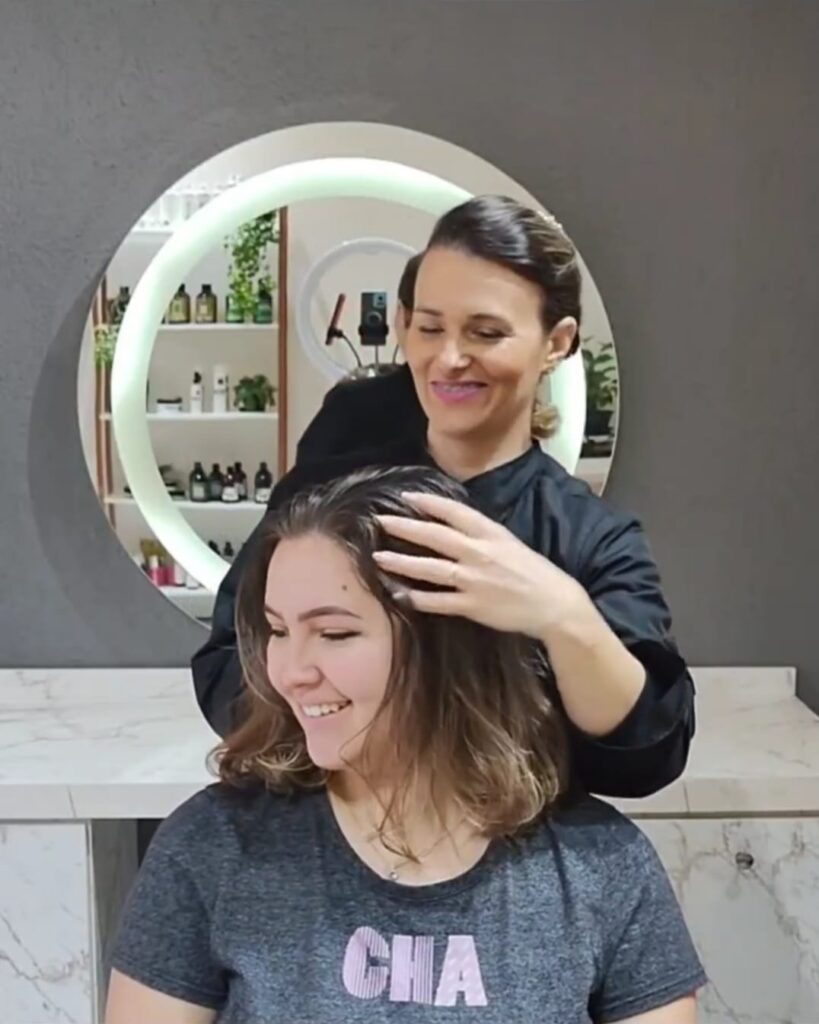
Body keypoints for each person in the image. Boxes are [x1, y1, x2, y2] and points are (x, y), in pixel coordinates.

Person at [108, 468, 706, 1024]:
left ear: (448, 648)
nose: (289, 672)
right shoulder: (213, 849)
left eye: (334, 633)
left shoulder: (600, 870)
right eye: (279, 630)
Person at [192, 194, 696, 798]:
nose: (449, 359)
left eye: (486, 333)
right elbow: (226, 667)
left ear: (557, 343)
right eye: (429, 328)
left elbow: (650, 752)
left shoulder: (591, 539)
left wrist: (561, 615)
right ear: (403, 325)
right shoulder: (324, 495)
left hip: (509, 847)